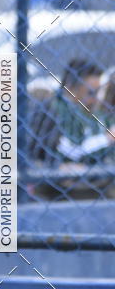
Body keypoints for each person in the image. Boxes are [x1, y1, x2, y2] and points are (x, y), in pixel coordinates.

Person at [29, 60, 115, 200]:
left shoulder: (91, 113)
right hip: (56, 188)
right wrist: (107, 139)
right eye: (91, 92)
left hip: (89, 184)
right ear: (71, 89)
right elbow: (73, 151)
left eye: (98, 92)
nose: (95, 99)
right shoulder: (53, 110)